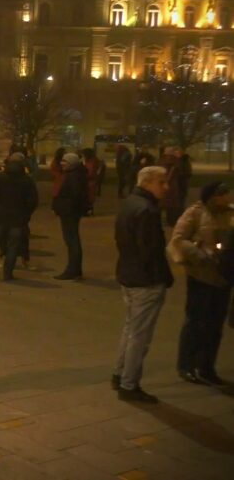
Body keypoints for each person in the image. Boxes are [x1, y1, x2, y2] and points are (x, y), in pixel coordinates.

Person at [112, 166, 173, 403]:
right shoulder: (147, 210)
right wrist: (163, 277)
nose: (166, 187)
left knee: (130, 329)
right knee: (140, 336)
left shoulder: (130, 203)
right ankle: (129, 383)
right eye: (162, 182)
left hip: (128, 274)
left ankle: (119, 374)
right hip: (145, 280)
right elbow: (151, 250)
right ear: (147, 182)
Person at [170, 182, 231, 386]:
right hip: (201, 277)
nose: (229, 198)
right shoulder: (195, 213)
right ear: (214, 196)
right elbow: (178, 240)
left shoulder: (230, 214)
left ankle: (206, 367)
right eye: (225, 194)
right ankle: (186, 365)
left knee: (215, 325)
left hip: (223, 278)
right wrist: (199, 254)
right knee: (195, 322)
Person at [0, 154, 38, 281]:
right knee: (13, 246)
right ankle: (8, 273)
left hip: (0, 217)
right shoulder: (27, 181)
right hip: (18, 219)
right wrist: (26, 215)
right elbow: (33, 201)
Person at [52, 152, 90, 280]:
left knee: (72, 241)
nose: (62, 163)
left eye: (65, 161)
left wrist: (62, 206)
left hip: (69, 213)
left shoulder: (73, 177)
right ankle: (75, 269)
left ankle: (72, 270)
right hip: (70, 212)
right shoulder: (74, 174)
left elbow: (74, 196)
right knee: (72, 240)